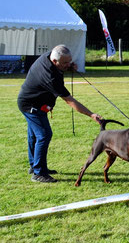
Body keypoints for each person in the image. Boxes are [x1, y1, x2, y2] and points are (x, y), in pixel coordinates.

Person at [17, 45, 102, 183]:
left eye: (70, 61)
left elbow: (62, 62)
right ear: (55, 61)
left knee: (34, 135)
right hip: (30, 105)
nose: (68, 64)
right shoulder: (50, 76)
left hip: (37, 103)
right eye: (65, 63)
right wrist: (91, 114)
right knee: (44, 135)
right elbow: (70, 101)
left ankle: (34, 166)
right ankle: (38, 173)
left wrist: (68, 66)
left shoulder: (50, 55)